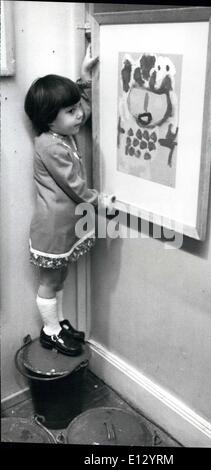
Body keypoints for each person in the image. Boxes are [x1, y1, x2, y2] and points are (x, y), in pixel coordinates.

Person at [24, 53, 99, 356]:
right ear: (48, 118)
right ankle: (50, 332)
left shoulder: (65, 132)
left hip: (64, 226)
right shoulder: (50, 144)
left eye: (77, 106)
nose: (80, 114)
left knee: (61, 276)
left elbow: (85, 110)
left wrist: (85, 79)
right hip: (52, 229)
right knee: (50, 279)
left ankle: (60, 322)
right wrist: (100, 200)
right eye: (71, 110)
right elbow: (74, 185)